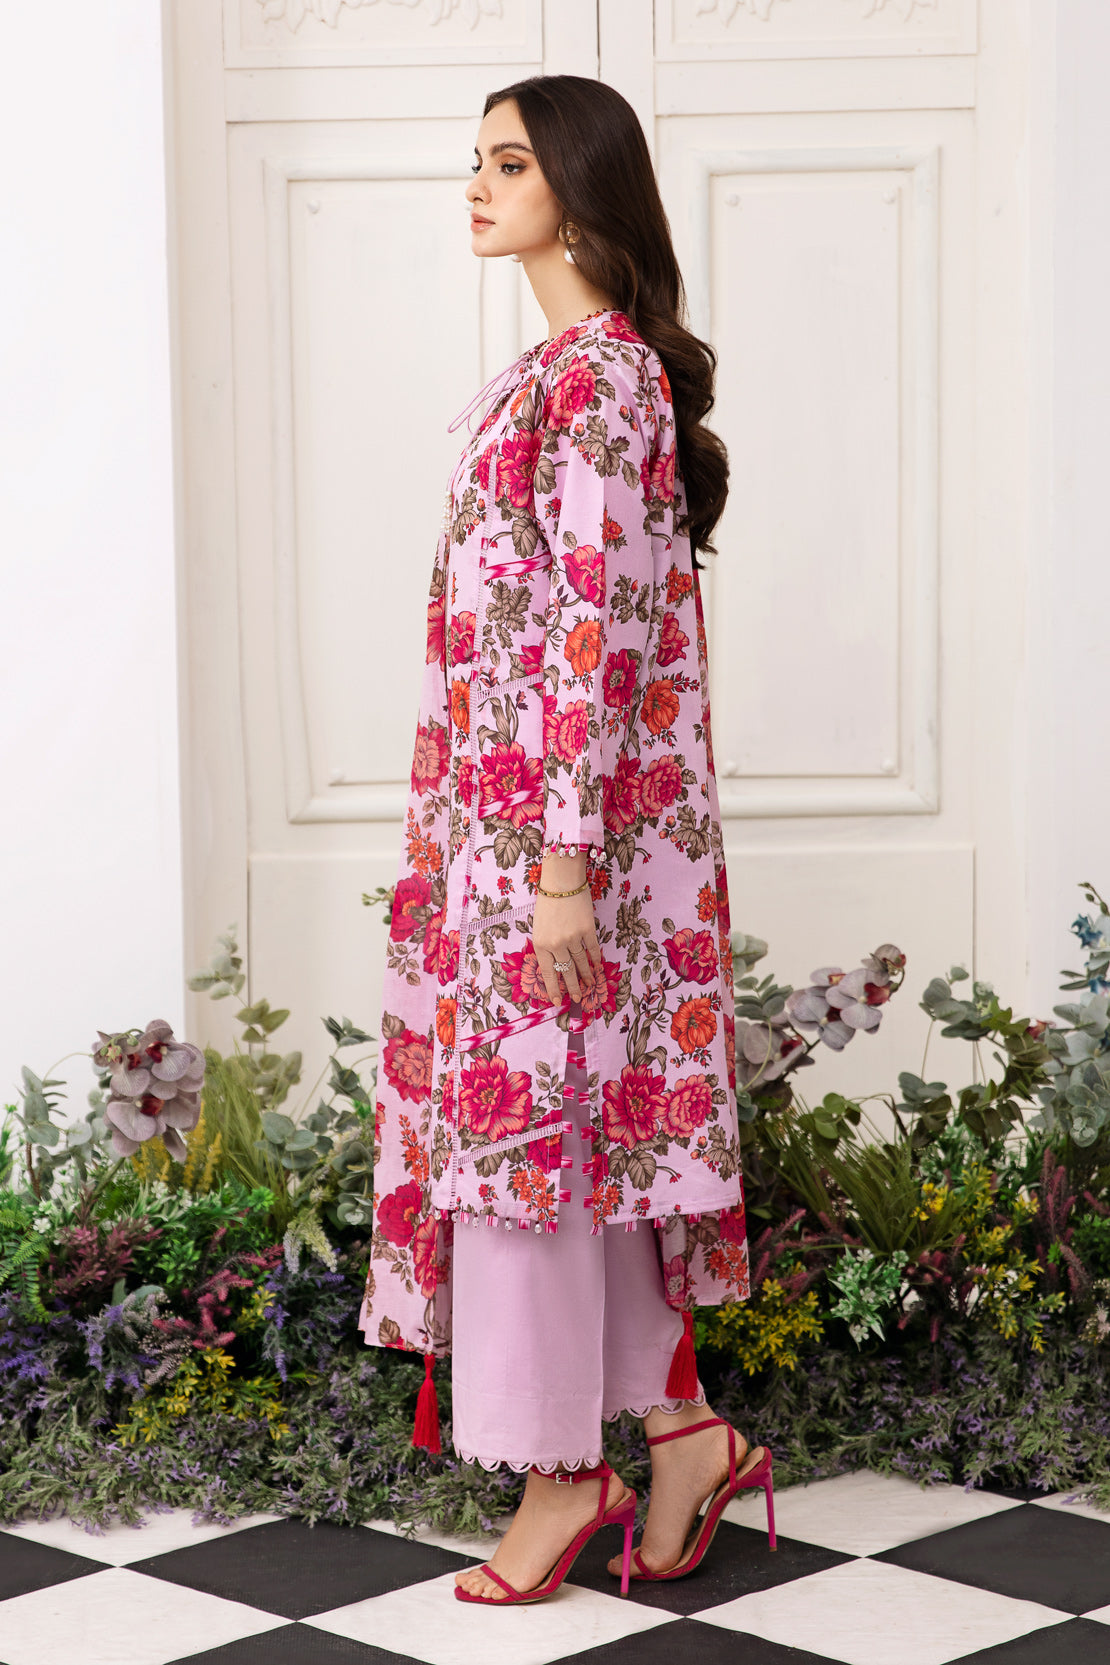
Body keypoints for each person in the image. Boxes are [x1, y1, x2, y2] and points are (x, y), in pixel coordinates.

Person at [358, 73, 775, 1606]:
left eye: (510, 163)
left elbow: (591, 636)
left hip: (556, 846)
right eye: (474, 160)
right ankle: (680, 1430)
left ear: (581, 191)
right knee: (569, 1135)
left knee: (527, 1137)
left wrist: (556, 869)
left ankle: (559, 1473)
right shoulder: (558, 374)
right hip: (526, 833)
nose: (477, 186)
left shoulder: (594, 382)